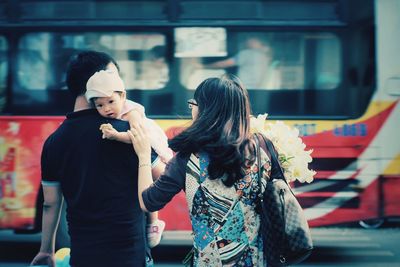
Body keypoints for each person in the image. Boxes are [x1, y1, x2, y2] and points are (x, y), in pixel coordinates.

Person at [30, 51, 164, 267]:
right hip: (131, 257)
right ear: (96, 84)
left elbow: (50, 204)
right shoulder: (127, 134)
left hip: (84, 258)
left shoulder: (55, 142)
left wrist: (46, 250)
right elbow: (163, 179)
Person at [129, 74, 277, 266]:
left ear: (206, 110)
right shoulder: (263, 147)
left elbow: (147, 202)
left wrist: (143, 155)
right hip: (258, 260)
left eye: (194, 104)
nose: (192, 110)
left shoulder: (188, 158)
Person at [86, 69, 170, 247]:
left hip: (151, 146)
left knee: (157, 181)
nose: (107, 108)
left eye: (110, 102)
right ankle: (152, 221)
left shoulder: (131, 112)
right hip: (139, 148)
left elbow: (138, 136)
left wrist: (116, 135)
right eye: (100, 105)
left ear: (122, 96)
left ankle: (154, 222)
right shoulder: (109, 115)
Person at [203, 37, 279, 89]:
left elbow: (223, 64)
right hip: (258, 89)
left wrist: (202, 66)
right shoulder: (266, 56)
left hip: (244, 90)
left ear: (257, 41)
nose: (247, 41)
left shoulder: (247, 53)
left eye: (250, 38)